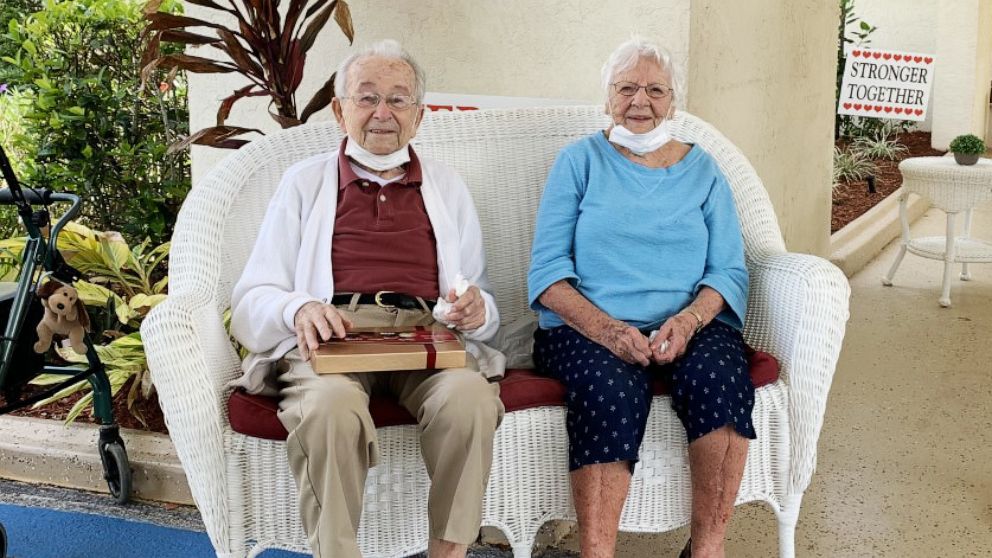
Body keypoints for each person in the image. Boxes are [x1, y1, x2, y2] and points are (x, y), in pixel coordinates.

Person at [229, 39, 505, 558]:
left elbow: (480, 297)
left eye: (399, 100)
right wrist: (300, 307)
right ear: (339, 110)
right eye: (367, 97)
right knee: (330, 407)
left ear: (419, 116)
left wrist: (476, 308)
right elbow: (252, 297)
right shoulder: (304, 183)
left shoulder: (446, 186)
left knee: (469, 398)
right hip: (335, 332)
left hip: (427, 335)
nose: (383, 113)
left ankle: (450, 551)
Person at [527, 37, 753, 558]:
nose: (640, 101)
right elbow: (547, 275)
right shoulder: (579, 162)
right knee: (611, 391)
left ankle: (708, 549)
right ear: (607, 98)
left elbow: (728, 270)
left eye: (655, 89)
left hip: (689, 323)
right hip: (588, 327)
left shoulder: (703, 170)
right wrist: (608, 330)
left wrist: (692, 319)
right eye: (627, 87)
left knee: (720, 379)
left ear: (672, 101)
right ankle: (597, 552)